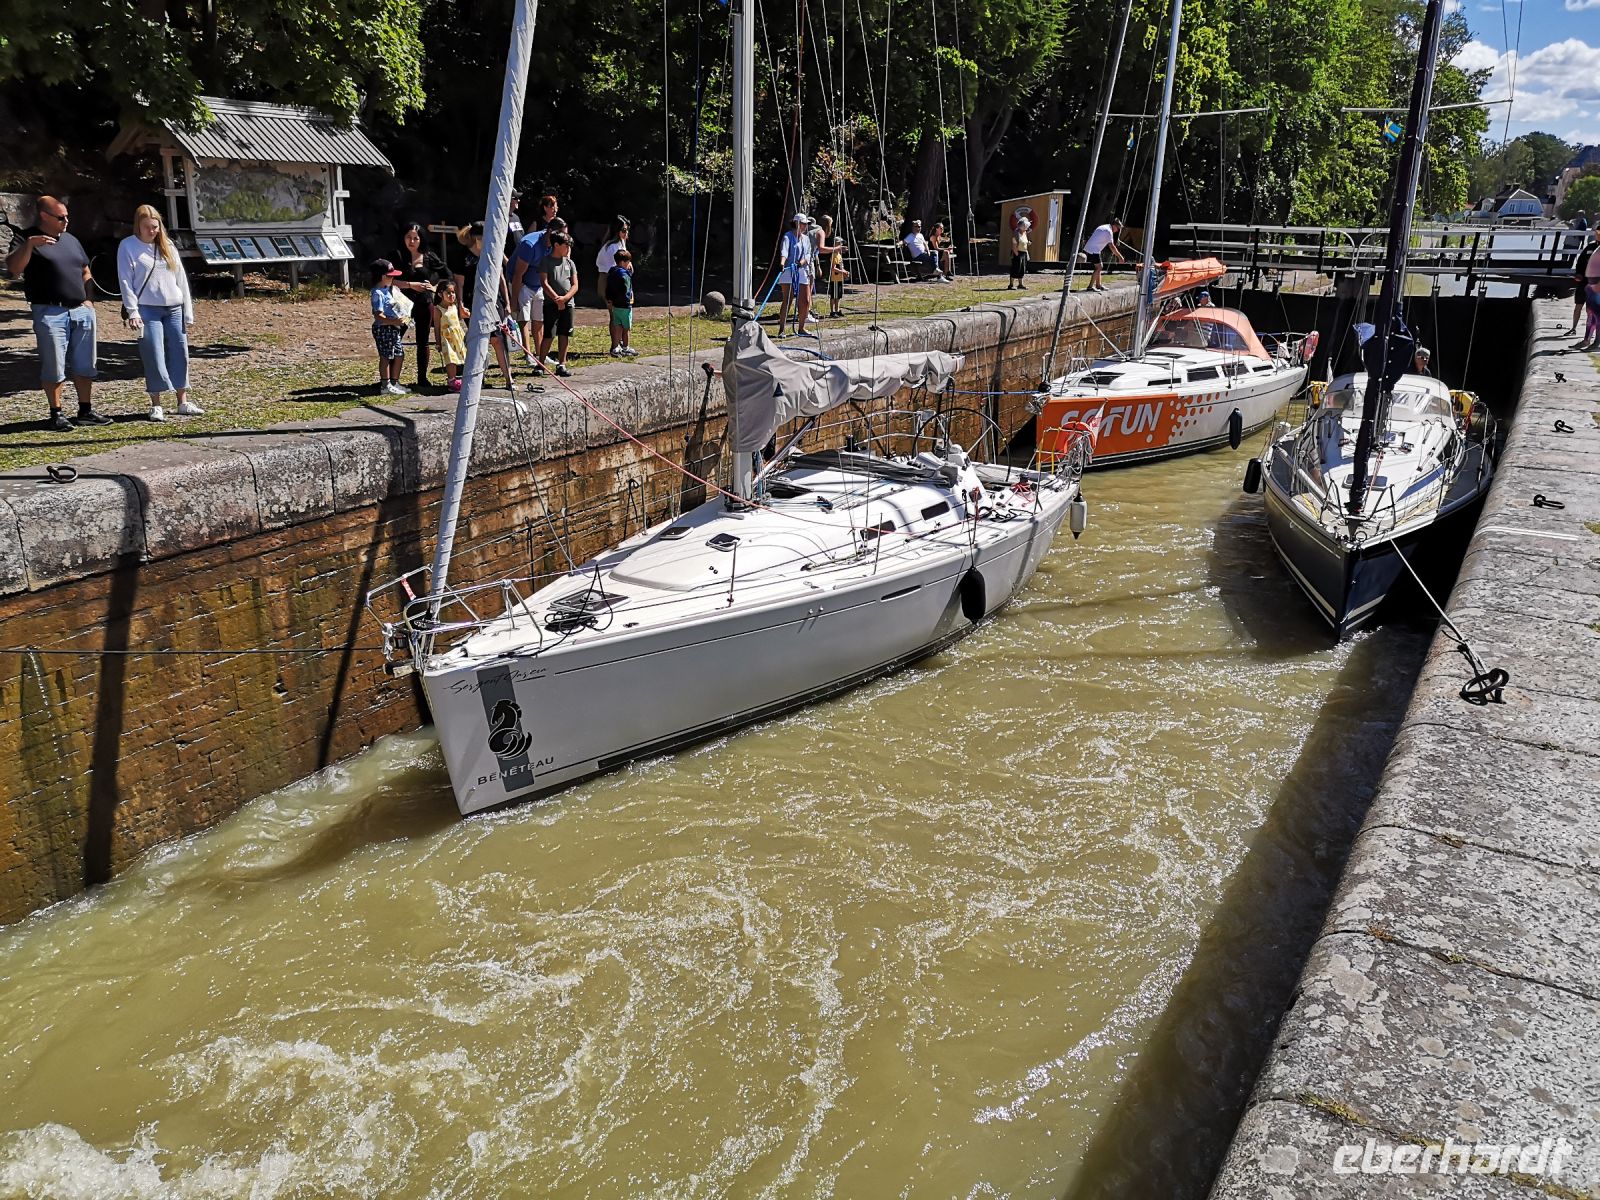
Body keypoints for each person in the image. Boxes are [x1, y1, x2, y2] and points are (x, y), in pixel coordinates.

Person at [5, 194, 111, 432]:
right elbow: (14, 268)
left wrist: (89, 302)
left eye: (67, 216)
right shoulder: (25, 237)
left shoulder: (71, 239)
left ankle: (85, 410)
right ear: (44, 216)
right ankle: (57, 413)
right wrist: (30, 245)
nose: (66, 221)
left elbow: (85, 270)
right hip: (50, 312)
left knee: (86, 364)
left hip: (80, 311)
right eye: (61, 217)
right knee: (54, 366)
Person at [117, 204, 200, 422]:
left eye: (155, 227)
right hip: (147, 308)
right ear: (138, 226)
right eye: (147, 227)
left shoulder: (167, 245)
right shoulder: (128, 247)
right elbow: (126, 282)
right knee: (153, 352)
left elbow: (180, 278)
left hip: (173, 306)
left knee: (180, 351)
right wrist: (133, 311)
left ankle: (182, 400)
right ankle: (156, 403)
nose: (152, 231)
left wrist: (187, 311)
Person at [453, 221, 516, 389]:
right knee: (478, 340)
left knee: (498, 340)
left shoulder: (492, 252)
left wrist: (507, 302)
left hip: (494, 302)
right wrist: (459, 305)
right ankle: (476, 378)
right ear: (475, 236)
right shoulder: (463, 255)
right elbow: (458, 282)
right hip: (471, 302)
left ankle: (509, 378)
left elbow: (501, 278)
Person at [508, 203, 563, 366]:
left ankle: (540, 355)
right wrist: (514, 300)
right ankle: (528, 355)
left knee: (538, 319)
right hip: (522, 282)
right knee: (524, 319)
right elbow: (518, 274)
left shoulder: (554, 245)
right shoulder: (529, 244)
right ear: (550, 232)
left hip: (537, 283)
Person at [393, 222, 446, 388]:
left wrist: (435, 288)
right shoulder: (397, 256)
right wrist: (410, 284)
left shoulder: (429, 256)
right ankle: (391, 378)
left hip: (424, 302)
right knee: (395, 338)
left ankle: (422, 378)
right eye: (408, 237)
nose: (412, 241)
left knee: (422, 341)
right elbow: (388, 280)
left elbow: (447, 275)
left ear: (421, 239)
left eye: (415, 238)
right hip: (402, 302)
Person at [536, 231, 578, 377]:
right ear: (556, 245)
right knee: (549, 334)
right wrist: (556, 299)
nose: (569, 247)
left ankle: (562, 364)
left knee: (564, 333)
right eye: (566, 244)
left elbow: (575, 285)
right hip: (550, 303)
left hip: (568, 304)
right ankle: (540, 364)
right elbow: (544, 282)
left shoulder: (569, 263)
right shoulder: (546, 261)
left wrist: (565, 299)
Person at [369, 258, 411, 395]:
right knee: (386, 356)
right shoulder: (377, 293)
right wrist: (395, 322)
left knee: (399, 354)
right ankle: (385, 384)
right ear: (382, 276)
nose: (392, 278)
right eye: (390, 276)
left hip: (393, 328)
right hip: (384, 328)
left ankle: (394, 382)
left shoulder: (388, 289)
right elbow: (378, 316)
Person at [777, 213, 814, 337]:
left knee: (805, 300)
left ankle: (801, 328)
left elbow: (808, 254)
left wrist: (802, 262)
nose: (805, 226)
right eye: (803, 224)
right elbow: (784, 251)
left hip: (801, 270)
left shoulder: (806, 238)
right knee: (787, 299)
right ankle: (782, 329)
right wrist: (782, 263)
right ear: (797, 223)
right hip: (788, 270)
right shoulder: (788, 236)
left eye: (806, 224)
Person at [432, 277, 468, 392]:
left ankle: (464, 378)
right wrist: (438, 342)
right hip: (446, 339)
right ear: (440, 294)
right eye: (448, 293)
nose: (452, 295)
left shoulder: (455, 306)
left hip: (458, 336)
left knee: (462, 356)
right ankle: (451, 380)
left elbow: (460, 319)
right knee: (451, 359)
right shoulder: (438, 309)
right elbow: (437, 327)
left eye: (453, 292)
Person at [812, 215, 848, 318]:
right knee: (834, 295)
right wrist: (836, 249)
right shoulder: (820, 232)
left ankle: (837, 310)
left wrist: (844, 271)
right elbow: (822, 249)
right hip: (834, 277)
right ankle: (832, 311)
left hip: (839, 277)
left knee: (838, 295)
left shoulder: (839, 254)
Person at [606, 247, 637, 356]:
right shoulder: (624, 275)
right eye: (628, 262)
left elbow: (608, 287)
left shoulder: (612, 272)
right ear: (624, 262)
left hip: (615, 305)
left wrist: (609, 299)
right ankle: (625, 346)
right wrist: (628, 301)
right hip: (625, 305)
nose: (629, 264)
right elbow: (626, 287)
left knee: (617, 325)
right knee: (626, 327)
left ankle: (615, 347)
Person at [1082, 218, 1125, 291]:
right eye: (1118, 228)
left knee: (1099, 267)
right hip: (1093, 249)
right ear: (1114, 226)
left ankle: (1098, 285)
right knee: (1099, 267)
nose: (1117, 230)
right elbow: (1112, 247)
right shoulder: (1108, 231)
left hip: (1093, 249)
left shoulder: (1105, 227)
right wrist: (1120, 257)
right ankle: (1090, 287)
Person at [595, 216, 629, 305]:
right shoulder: (612, 247)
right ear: (616, 231)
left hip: (615, 278)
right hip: (609, 279)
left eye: (627, 230)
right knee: (615, 312)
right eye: (624, 230)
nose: (626, 233)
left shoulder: (620, 242)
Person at [1569, 232, 1596, 337]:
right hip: (1583, 281)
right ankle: (1573, 327)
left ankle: (1590, 332)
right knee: (1578, 305)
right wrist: (1578, 274)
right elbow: (1580, 262)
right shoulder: (1590, 246)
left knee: (1591, 309)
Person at [1008, 216, 1031, 290]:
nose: (1026, 227)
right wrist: (1016, 254)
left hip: (1024, 253)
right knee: (1015, 268)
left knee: (1022, 269)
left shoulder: (1025, 233)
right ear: (1021, 226)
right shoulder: (1016, 233)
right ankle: (1011, 285)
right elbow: (1014, 244)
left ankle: (1020, 284)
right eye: (1025, 226)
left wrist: (1028, 243)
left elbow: (1024, 241)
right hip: (1017, 253)